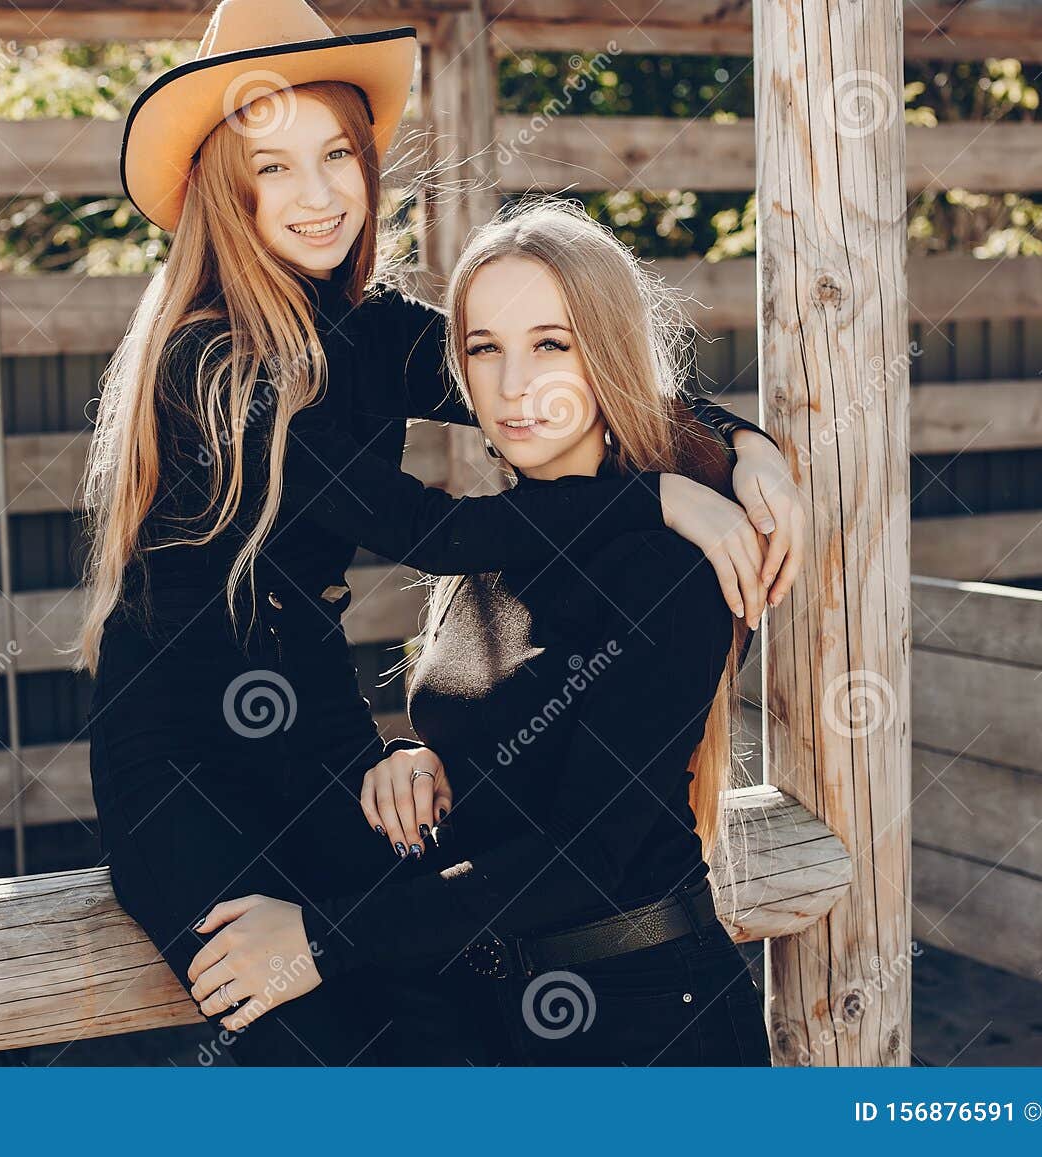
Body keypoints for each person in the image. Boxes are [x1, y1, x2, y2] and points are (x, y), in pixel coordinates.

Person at [82, 0, 803, 1064]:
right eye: (272, 167)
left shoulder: (372, 332)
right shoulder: (213, 359)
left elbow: (575, 366)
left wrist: (743, 444)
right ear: (219, 192)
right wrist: (650, 495)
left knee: (429, 1015)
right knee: (308, 1036)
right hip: (185, 743)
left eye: (335, 152)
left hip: (316, 720)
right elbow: (430, 529)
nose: (318, 192)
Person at [190, 200, 773, 1066]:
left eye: (551, 343)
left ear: (606, 351)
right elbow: (512, 751)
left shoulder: (671, 564)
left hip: (650, 1021)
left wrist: (320, 940)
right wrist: (423, 760)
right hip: (500, 1017)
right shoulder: (497, 539)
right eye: (482, 349)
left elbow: (583, 854)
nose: (512, 386)